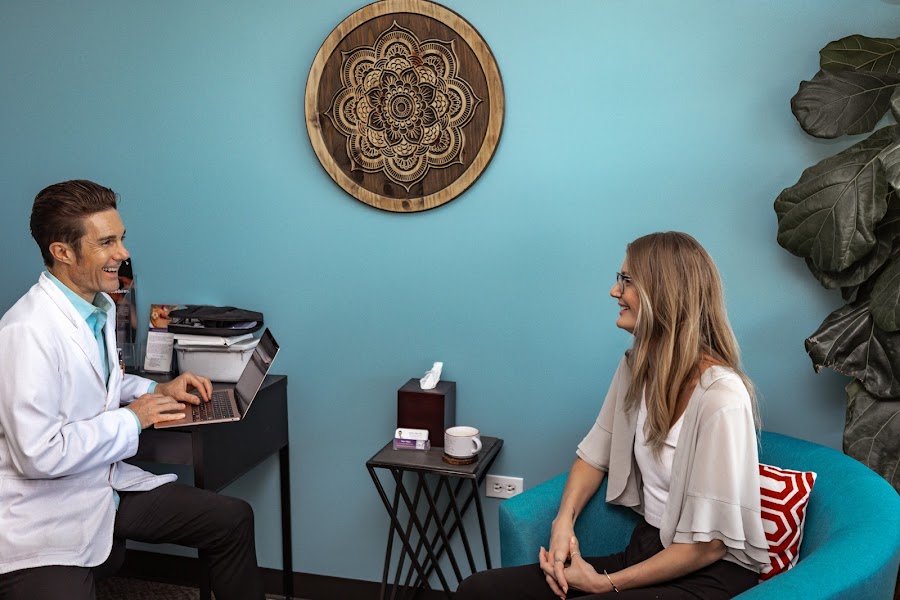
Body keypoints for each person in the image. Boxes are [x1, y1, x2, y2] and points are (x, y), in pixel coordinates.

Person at [457, 232, 769, 600]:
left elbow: (709, 546)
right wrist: (563, 523)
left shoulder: (722, 396)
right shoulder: (637, 367)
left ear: (664, 292)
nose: (614, 291)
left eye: (627, 280)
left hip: (707, 575)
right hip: (647, 552)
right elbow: (594, 455)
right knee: (479, 590)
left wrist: (603, 584)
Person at [0, 180, 265, 600]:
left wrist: (160, 387)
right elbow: (39, 454)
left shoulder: (96, 307)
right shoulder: (25, 332)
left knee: (231, 519)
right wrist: (134, 418)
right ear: (63, 252)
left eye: (121, 238)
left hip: (99, 486)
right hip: (42, 514)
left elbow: (97, 379)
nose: (122, 253)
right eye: (107, 242)